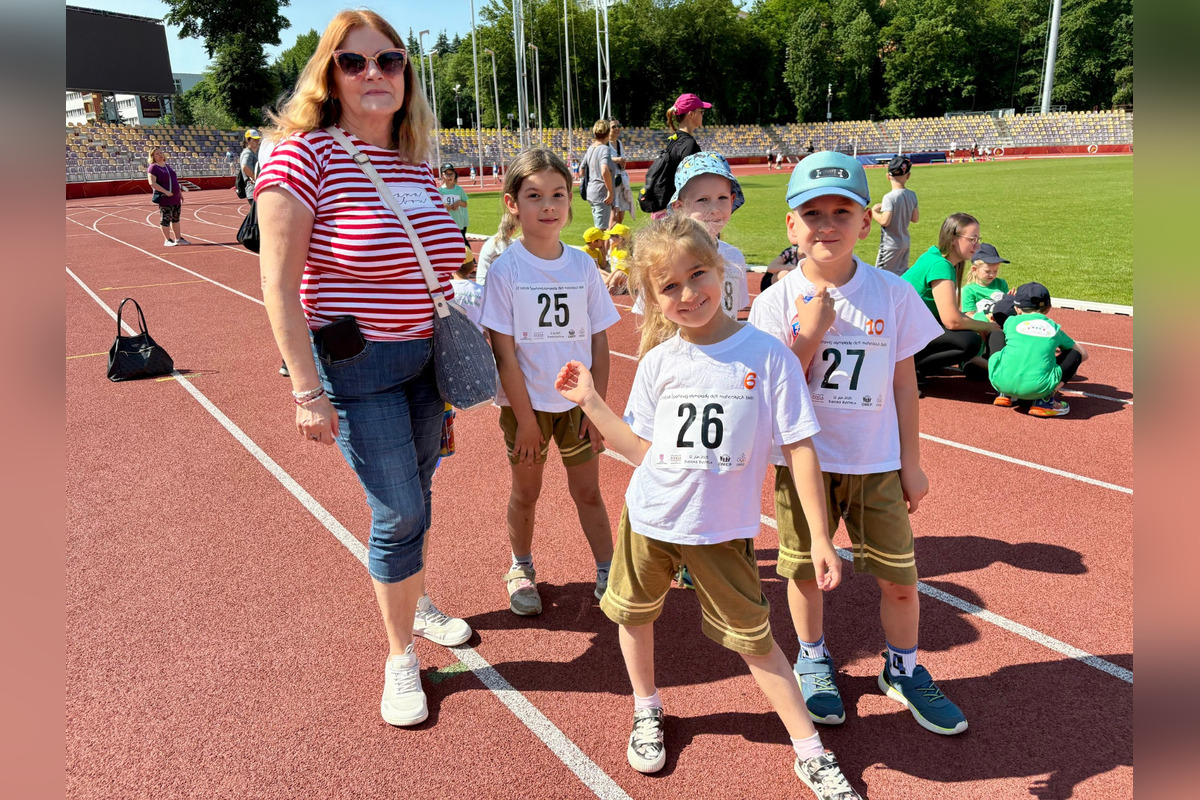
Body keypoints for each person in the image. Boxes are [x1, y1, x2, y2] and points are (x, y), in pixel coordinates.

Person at [554, 215, 861, 800]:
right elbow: (639, 450)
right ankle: (647, 709)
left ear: (723, 271)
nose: (687, 293)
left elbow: (798, 448)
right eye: (668, 286)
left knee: (756, 641)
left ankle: (810, 752)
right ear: (651, 297)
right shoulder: (658, 363)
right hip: (648, 519)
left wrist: (820, 537)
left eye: (697, 275)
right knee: (633, 616)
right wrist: (590, 400)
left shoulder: (768, 356)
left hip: (721, 531)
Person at [256, 9, 471, 729]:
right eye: (355, 62)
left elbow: (438, 260)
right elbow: (279, 286)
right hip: (358, 369)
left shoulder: (414, 161)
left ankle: (414, 595)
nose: (375, 73)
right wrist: (305, 391)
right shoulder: (301, 156)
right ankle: (399, 656)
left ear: (406, 74)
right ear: (330, 74)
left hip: (424, 363)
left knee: (422, 491)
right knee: (398, 509)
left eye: (390, 60)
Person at [748, 151, 968, 738]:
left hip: (876, 461)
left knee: (901, 578)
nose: (827, 225)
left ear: (865, 222)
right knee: (802, 573)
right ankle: (814, 657)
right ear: (791, 225)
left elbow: (904, 382)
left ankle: (902, 669)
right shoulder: (773, 302)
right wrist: (809, 335)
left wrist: (912, 464)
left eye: (841, 211)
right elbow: (770, 392)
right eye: (812, 213)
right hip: (804, 465)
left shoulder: (891, 293)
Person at [478, 149, 620, 616]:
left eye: (558, 194)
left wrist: (597, 410)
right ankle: (520, 566)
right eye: (534, 195)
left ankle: (608, 569)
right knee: (527, 493)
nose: (548, 205)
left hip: (578, 405)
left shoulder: (582, 267)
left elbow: (599, 342)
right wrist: (524, 420)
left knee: (589, 493)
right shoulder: (506, 271)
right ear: (512, 204)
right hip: (528, 409)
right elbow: (504, 352)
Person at [902, 213, 998, 386]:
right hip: (900, 334)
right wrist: (987, 326)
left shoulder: (933, 256)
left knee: (964, 332)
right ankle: (907, 370)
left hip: (904, 328)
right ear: (954, 239)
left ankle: (914, 364)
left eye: (978, 239)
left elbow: (948, 315)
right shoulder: (941, 266)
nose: (977, 245)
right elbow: (952, 320)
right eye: (972, 239)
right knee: (969, 342)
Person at [989, 282, 1088, 415]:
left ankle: (1004, 394)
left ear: (1017, 309)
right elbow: (1083, 354)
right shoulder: (1054, 328)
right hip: (1037, 388)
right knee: (1074, 355)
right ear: (1048, 309)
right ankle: (1045, 400)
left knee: (997, 333)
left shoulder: (1010, 322)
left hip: (1001, 381)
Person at [648, 93, 707, 219]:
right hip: (678, 212)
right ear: (691, 114)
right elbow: (691, 183)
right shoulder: (689, 144)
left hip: (667, 209)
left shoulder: (673, 140)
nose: (702, 115)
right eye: (701, 111)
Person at [959, 242, 1012, 380]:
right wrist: (986, 319)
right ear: (975, 269)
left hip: (999, 329)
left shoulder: (1001, 284)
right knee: (980, 318)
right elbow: (969, 315)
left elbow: (1006, 310)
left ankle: (992, 365)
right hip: (981, 330)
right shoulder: (970, 290)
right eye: (987, 271)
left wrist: (1011, 302)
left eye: (995, 271)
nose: (992, 275)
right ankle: (976, 360)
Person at [870, 155, 919, 276]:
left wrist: (873, 212)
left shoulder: (889, 197)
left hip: (890, 245)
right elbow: (915, 218)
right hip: (905, 243)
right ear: (908, 176)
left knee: (881, 277)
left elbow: (885, 221)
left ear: (888, 176)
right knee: (900, 275)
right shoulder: (912, 195)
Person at [146, 146, 187, 246]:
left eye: (161, 153)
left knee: (176, 218)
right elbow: (152, 183)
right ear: (153, 156)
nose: (160, 155)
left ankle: (178, 238)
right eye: (157, 154)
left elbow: (175, 181)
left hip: (175, 197)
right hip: (165, 197)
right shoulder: (153, 167)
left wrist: (180, 193)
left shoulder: (167, 166)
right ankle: (167, 239)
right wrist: (166, 191)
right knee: (165, 218)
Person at [582, 119, 616, 230]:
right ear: (607, 133)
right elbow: (604, 169)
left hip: (591, 191)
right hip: (601, 192)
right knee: (601, 230)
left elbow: (582, 169)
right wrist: (610, 191)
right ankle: (597, 247)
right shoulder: (604, 149)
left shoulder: (591, 148)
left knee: (599, 228)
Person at [450, 249, 485, 330]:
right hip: (475, 337)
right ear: (472, 268)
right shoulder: (481, 290)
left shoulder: (446, 288)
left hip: (451, 337)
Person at [607, 119, 633, 224]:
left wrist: (622, 162)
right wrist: (616, 159)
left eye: (618, 126)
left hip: (621, 180)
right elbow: (602, 160)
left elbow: (622, 158)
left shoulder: (618, 143)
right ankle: (609, 238)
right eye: (613, 127)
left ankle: (617, 238)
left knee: (621, 215)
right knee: (613, 215)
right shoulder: (605, 144)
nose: (617, 128)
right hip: (611, 181)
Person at [438, 164, 470, 244]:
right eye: (447, 174)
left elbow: (465, 204)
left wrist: (459, 202)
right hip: (445, 223)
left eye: (451, 174)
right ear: (442, 176)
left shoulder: (459, 189)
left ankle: (470, 257)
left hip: (458, 222)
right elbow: (436, 207)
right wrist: (443, 206)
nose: (449, 176)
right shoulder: (439, 191)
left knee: (462, 243)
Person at [604, 222, 631, 294]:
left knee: (618, 274)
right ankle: (612, 287)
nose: (609, 238)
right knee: (598, 272)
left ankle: (613, 287)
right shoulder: (614, 249)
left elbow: (616, 271)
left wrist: (604, 284)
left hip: (624, 280)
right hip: (613, 275)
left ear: (620, 239)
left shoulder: (624, 253)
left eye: (612, 236)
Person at [240, 129, 262, 204]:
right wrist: (255, 179)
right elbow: (244, 166)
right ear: (248, 140)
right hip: (252, 190)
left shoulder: (254, 152)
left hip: (254, 190)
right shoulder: (248, 153)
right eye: (255, 139)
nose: (257, 141)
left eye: (258, 139)